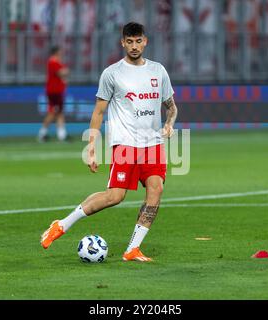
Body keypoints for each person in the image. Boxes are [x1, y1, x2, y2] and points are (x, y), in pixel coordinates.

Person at [40, 22, 178, 262]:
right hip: (126, 144)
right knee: (115, 196)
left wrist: (169, 123)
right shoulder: (112, 73)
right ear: (122, 42)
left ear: (145, 41)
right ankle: (62, 224)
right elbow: (98, 112)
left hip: (153, 144)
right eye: (129, 41)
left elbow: (172, 107)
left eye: (138, 41)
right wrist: (91, 147)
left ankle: (132, 249)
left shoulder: (159, 71)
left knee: (156, 190)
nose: (134, 46)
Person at [38, 46, 70, 142]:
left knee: (56, 112)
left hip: (56, 91)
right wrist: (65, 72)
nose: (61, 53)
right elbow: (62, 73)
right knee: (55, 112)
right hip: (54, 91)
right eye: (60, 52)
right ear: (56, 52)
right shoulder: (53, 62)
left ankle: (57, 134)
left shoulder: (55, 62)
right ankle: (55, 135)